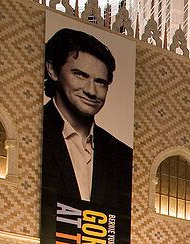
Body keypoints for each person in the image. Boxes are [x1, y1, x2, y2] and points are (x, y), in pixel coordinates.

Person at [42, 28, 131, 208]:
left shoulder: (122, 155)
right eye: (80, 75)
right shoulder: (30, 129)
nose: (91, 91)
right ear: (52, 70)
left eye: (100, 82)